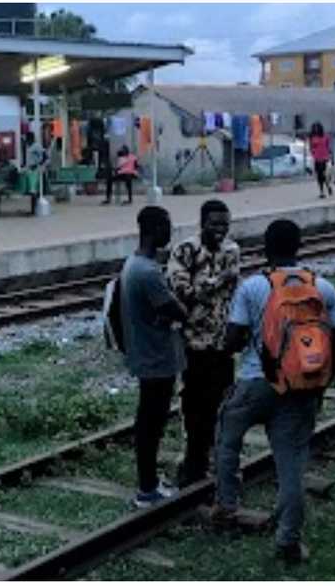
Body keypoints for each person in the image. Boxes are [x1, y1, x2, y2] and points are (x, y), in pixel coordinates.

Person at [211, 219, 335, 564]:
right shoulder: (323, 287)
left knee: (227, 440)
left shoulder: (253, 287)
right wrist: (319, 386)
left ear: (266, 248)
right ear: (298, 246)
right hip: (300, 388)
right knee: (291, 467)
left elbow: (233, 340)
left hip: (256, 383)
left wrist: (229, 344)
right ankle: (288, 542)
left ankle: (226, 507)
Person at [167, 199, 241, 488]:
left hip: (221, 342)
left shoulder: (232, 250)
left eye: (224, 224)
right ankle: (193, 462)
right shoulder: (185, 250)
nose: (220, 230)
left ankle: (210, 460)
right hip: (192, 342)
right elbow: (181, 293)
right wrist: (219, 280)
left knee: (220, 403)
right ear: (202, 224)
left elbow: (232, 293)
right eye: (214, 224)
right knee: (193, 404)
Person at [120, 205, 188, 508]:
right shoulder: (147, 272)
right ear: (154, 230)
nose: (169, 233)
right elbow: (178, 311)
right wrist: (179, 307)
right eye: (166, 226)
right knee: (151, 422)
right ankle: (147, 488)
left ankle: (149, 482)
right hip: (156, 358)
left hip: (145, 353)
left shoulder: (132, 264)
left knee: (149, 420)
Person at [308, 122, 333, 198]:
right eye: (314, 128)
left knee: (325, 175)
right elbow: (311, 147)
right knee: (319, 176)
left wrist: (330, 156)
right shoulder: (312, 138)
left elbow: (328, 147)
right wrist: (313, 153)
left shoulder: (325, 136)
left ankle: (328, 186)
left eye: (317, 128)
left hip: (325, 158)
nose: (316, 130)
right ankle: (322, 192)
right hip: (317, 158)